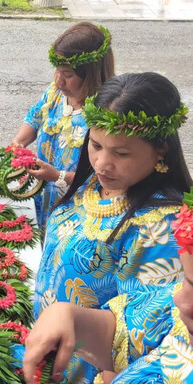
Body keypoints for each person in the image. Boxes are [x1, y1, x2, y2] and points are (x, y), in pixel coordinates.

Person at [31, 72, 191, 382]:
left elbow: (143, 332)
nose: (103, 164)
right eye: (96, 145)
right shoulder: (95, 183)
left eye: (121, 153)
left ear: (161, 151)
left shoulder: (161, 229)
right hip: (49, 352)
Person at [23, 205, 193, 383]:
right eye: (186, 283)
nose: (179, 300)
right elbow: (129, 333)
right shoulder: (174, 304)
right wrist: (66, 314)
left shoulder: (154, 227)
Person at [11, 22, 115, 228]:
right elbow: (35, 117)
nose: (59, 81)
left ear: (91, 74)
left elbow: (107, 177)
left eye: (68, 75)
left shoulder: (105, 114)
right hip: (42, 199)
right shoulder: (56, 94)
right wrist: (19, 143)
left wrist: (58, 176)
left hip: (76, 212)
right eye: (57, 71)